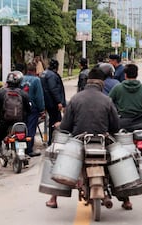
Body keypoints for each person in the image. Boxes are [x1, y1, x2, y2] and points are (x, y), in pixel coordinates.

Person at [45, 67, 125, 209]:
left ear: (87, 82)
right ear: (102, 84)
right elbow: (115, 126)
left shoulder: (75, 99)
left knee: (61, 158)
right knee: (119, 162)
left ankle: (53, 199)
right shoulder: (107, 100)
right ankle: (126, 200)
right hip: (102, 141)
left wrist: (61, 126)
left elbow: (66, 127)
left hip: (79, 141)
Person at [0, 71, 31, 167]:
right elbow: (29, 109)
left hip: (4, 122)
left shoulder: (2, 93)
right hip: (19, 122)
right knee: (22, 138)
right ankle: (24, 159)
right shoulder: (23, 94)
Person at [108, 63, 142, 132]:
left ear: (125, 75)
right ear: (137, 74)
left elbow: (108, 103)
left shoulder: (117, 88)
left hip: (123, 123)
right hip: (141, 122)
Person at [21, 62, 45, 157]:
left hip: (21, 107)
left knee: (22, 127)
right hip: (32, 108)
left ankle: (21, 147)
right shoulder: (36, 80)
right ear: (35, 71)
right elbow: (39, 96)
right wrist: (42, 109)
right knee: (31, 129)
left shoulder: (21, 79)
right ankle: (29, 149)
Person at [40, 59, 66, 146]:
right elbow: (53, 89)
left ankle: (51, 140)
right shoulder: (52, 76)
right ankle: (54, 141)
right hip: (52, 103)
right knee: (56, 122)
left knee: (52, 121)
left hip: (46, 102)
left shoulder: (44, 74)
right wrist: (59, 101)